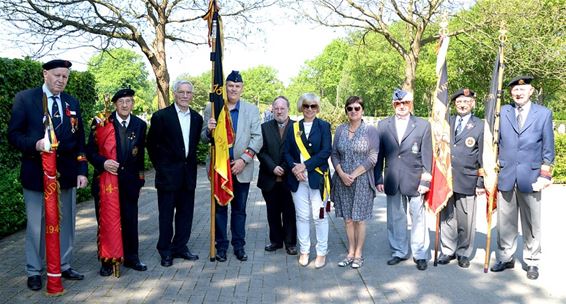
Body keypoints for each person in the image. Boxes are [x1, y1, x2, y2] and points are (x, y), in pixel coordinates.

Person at [8, 59, 88, 291]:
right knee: (36, 225)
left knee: (67, 222)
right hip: (36, 174)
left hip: (66, 174)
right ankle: (34, 270)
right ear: (45, 74)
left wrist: (82, 170)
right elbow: (13, 135)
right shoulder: (26, 98)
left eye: (65, 76)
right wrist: (35, 144)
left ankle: (63, 265)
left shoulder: (72, 101)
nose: (61, 80)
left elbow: (79, 140)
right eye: (57, 75)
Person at [490, 76, 555, 280]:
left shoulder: (543, 114)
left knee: (531, 222)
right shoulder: (503, 112)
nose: (518, 93)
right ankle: (505, 256)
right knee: (505, 221)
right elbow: (495, 142)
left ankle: (532, 260)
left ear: (531, 91)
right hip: (507, 174)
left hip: (531, 176)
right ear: (511, 93)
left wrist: (544, 175)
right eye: (515, 90)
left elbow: (548, 147)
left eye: (523, 89)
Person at [202, 70, 263, 262]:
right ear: (224, 87)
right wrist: (209, 130)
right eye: (230, 86)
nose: (233, 89)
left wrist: (244, 159)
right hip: (220, 167)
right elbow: (204, 138)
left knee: (240, 210)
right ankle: (221, 246)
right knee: (220, 209)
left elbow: (257, 137)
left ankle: (239, 246)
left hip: (241, 168)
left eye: (237, 86)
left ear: (242, 88)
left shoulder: (251, 110)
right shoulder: (212, 108)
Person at [86, 88, 148, 276]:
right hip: (106, 182)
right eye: (121, 101)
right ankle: (106, 260)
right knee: (106, 221)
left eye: (128, 101)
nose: (124, 105)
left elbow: (140, 154)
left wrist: (139, 179)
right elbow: (89, 151)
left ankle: (131, 257)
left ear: (133, 104)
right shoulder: (102, 123)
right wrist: (103, 163)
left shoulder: (140, 124)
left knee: (130, 220)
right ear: (115, 104)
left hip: (129, 182)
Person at [373, 88, 432, 271]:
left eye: (405, 103)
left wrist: (425, 180)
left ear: (411, 104)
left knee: (418, 218)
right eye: (398, 103)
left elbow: (427, 155)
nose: (401, 106)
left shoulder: (423, 125)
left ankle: (420, 254)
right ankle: (398, 251)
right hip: (392, 178)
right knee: (395, 218)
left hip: (415, 179)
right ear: (393, 105)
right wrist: (378, 178)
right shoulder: (383, 125)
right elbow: (379, 154)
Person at [147, 80, 203, 267]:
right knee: (166, 215)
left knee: (186, 214)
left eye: (188, 92)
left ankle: (180, 246)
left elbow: (193, 146)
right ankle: (165, 250)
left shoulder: (196, 118)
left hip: (188, 175)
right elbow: (152, 145)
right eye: (181, 92)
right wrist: (161, 168)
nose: (185, 95)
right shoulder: (161, 116)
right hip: (167, 175)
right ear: (174, 93)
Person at [283, 93, 332, 269]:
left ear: (317, 108)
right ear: (301, 107)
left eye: (313, 106)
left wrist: (305, 167)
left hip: (317, 178)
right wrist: (295, 168)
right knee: (302, 216)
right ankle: (304, 250)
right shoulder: (293, 127)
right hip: (297, 179)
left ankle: (321, 252)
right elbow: (286, 152)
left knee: (319, 217)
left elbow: (326, 151)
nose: (309, 109)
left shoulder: (324, 126)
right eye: (306, 106)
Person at [438, 88, 484, 268]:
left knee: (466, 219)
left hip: (468, 179)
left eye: (466, 102)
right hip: (447, 178)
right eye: (459, 102)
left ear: (472, 103)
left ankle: (464, 252)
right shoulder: (446, 123)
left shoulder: (479, 125)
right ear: (454, 104)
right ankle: (447, 249)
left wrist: (480, 182)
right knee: (447, 216)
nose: (462, 105)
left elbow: (482, 155)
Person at [331, 96, 379, 269]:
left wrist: (353, 174)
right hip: (342, 180)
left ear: (362, 110)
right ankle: (350, 252)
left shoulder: (370, 130)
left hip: (362, 181)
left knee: (359, 219)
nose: (353, 111)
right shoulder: (341, 130)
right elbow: (334, 154)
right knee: (348, 219)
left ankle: (359, 254)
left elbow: (373, 157)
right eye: (350, 108)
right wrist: (342, 174)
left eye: (357, 108)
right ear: (346, 111)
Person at [257, 96, 297, 255]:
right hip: (269, 177)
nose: (279, 111)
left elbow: (297, 152)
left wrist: (285, 167)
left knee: (289, 211)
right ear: (272, 109)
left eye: (283, 108)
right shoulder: (264, 127)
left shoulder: (296, 127)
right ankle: (276, 241)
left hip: (290, 177)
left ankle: (291, 243)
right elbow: (260, 150)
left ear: (288, 109)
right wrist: (273, 167)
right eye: (276, 108)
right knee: (272, 212)